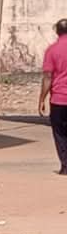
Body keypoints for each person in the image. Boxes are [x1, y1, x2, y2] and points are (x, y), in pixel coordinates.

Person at [39, 18, 67, 175]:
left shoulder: (52, 50)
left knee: (60, 133)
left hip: (59, 99)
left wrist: (41, 99)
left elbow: (48, 77)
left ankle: (65, 166)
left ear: (57, 31)